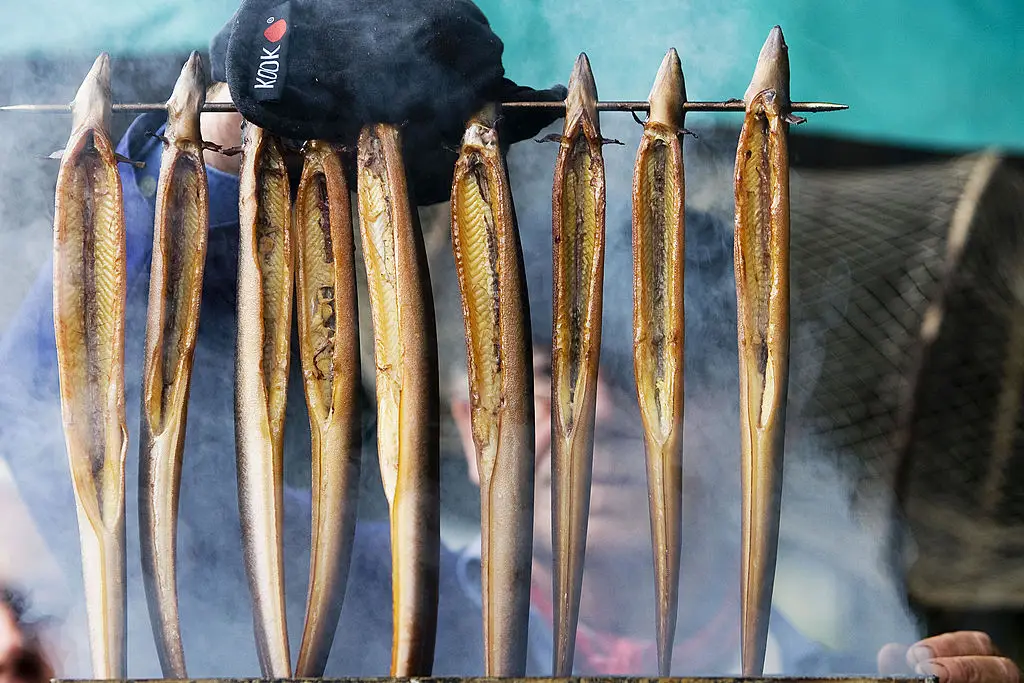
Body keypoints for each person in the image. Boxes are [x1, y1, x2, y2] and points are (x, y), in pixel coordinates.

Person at [0, 1, 1017, 681]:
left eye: (645, 364)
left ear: (744, 394)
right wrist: (235, 131)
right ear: (465, 413)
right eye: (546, 368)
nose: (596, 406)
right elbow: (99, 445)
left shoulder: (838, 658)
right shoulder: (382, 604)